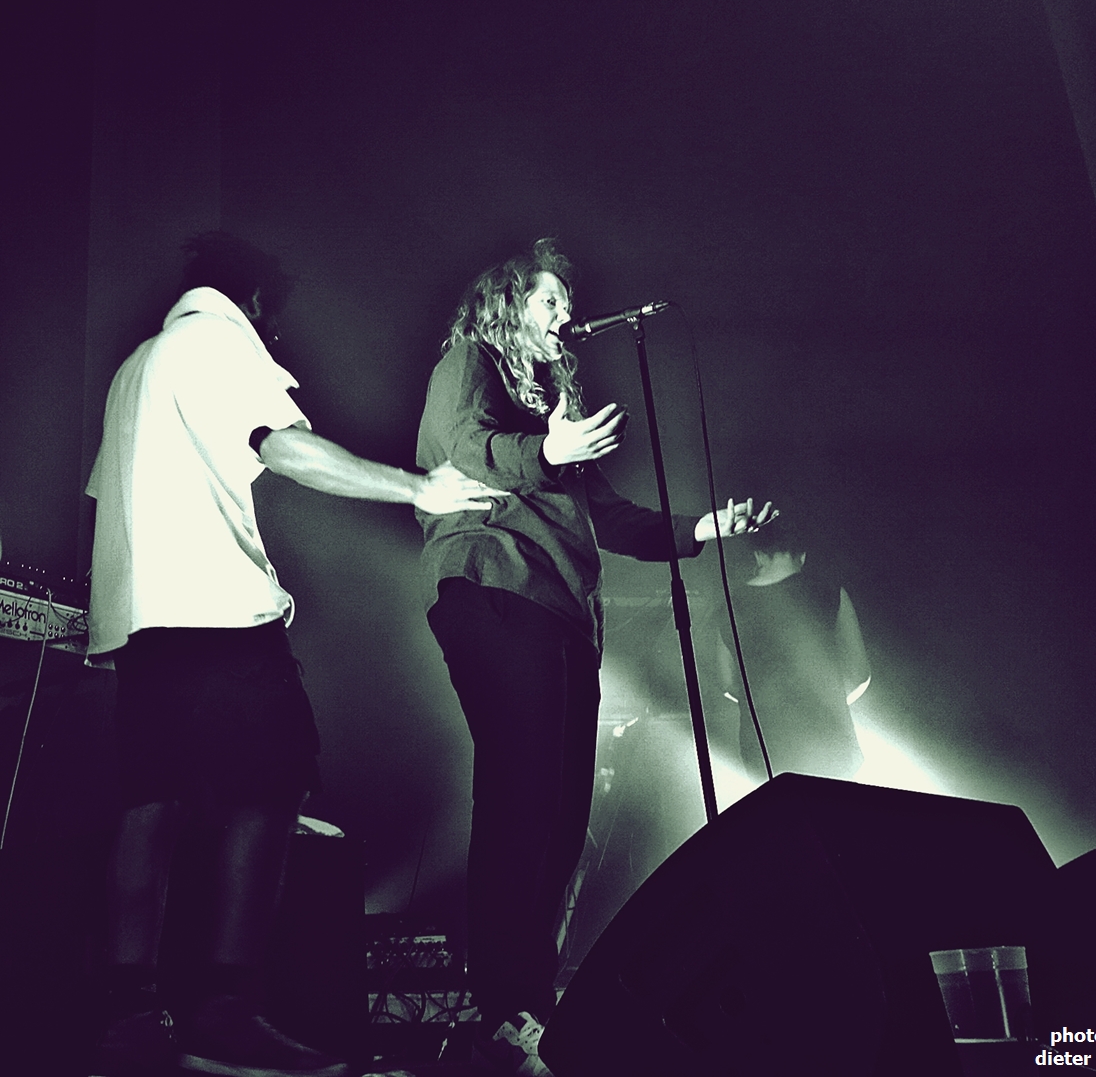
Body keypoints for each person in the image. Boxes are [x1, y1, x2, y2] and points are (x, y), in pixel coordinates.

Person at [85, 232, 497, 1077]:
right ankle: (226, 1011)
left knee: (149, 805)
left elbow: (105, 497)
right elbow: (282, 446)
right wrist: (417, 487)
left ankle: (128, 1014)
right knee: (268, 794)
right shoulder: (218, 339)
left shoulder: (135, 368)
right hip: (219, 617)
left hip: (138, 625)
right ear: (255, 299)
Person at [415, 238, 774, 1075]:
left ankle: (530, 1004)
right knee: (521, 799)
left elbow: (606, 517)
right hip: (494, 585)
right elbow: (465, 447)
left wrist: (701, 528)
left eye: (566, 302)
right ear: (508, 304)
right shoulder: (469, 364)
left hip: (563, 612)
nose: (566, 314)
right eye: (549, 300)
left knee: (564, 814)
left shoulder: (553, 411)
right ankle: (503, 1008)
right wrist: (546, 451)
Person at [719, 525, 871, 783]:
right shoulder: (830, 593)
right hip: (830, 746)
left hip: (763, 751)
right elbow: (859, 674)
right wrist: (825, 700)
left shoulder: (728, 608)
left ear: (758, 555)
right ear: (802, 556)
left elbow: (727, 683)